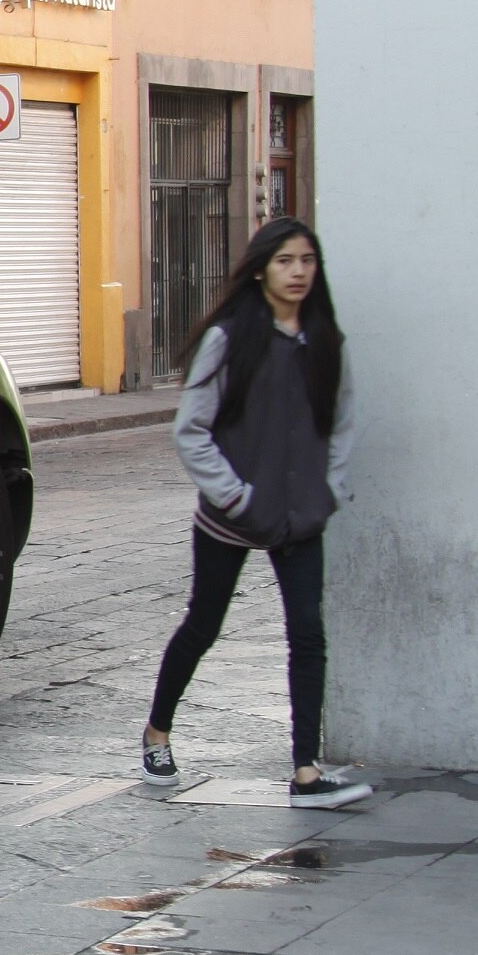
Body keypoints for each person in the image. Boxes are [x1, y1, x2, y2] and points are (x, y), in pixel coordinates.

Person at [143, 217, 368, 810]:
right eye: (286, 261)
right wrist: (236, 495)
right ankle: (157, 730)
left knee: (308, 635)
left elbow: (341, 423)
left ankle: (306, 772)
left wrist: (330, 489)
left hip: (301, 518)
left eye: (307, 261)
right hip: (232, 515)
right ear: (262, 268)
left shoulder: (325, 340)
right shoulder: (231, 338)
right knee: (203, 625)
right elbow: (190, 431)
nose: (298, 272)